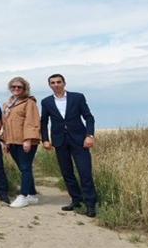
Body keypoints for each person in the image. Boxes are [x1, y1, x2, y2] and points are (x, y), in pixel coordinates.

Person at [40, 74, 97, 217]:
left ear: (64, 83)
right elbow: (44, 122)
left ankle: (90, 204)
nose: (56, 84)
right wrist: (45, 139)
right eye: (52, 83)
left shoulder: (77, 97)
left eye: (59, 82)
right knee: (67, 173)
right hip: (60, 141)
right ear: (50, 85)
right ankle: (76, 200)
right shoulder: (46, 102)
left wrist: (89, 135)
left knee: (85, 172)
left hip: (79, 140)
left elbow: (89, 117)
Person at [0, 76, 41, 208]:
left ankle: (23, 196)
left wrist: (28, 139)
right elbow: (6, 124)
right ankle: (32, 194)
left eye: (19, 87)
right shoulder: (8, 104)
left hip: (25, 141)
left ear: (25, 88)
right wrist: (5, 141)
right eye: (13, 87)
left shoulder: (29, 102)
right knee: (24, 168)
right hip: (12, 141)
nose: (16, 89)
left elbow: (32, 121)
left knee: (25, 167)